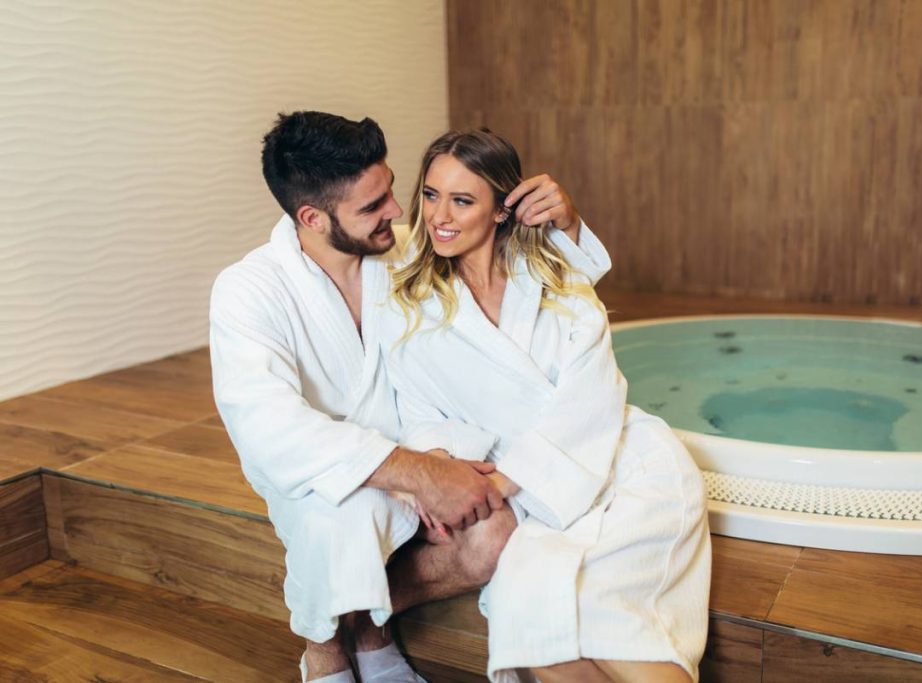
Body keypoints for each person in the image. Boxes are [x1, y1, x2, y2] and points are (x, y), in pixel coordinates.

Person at [209, 112, 611, 683]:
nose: (398, 212)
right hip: (320, 472)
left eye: (393, 191)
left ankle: (370, 625)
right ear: (312, 218)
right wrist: (417, 473)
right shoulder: (248, 291)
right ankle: (327, 650)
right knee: (342, 520)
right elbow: (267, 426)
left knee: (494, 533)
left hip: (425, 444)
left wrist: (564, 225)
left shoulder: (403, 252)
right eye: (373, 205)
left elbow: (528, 290)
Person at [381, 129, 711, 683]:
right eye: (431, 195)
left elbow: (593, 399)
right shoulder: (413, 306)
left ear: (501, 211)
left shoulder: (558, 283)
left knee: (623, 628)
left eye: (462, 200)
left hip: (626, 469)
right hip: (538, 499)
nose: (439, 216)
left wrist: (500, 482)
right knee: (535, 630)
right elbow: (418, 410)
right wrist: (438, 462)